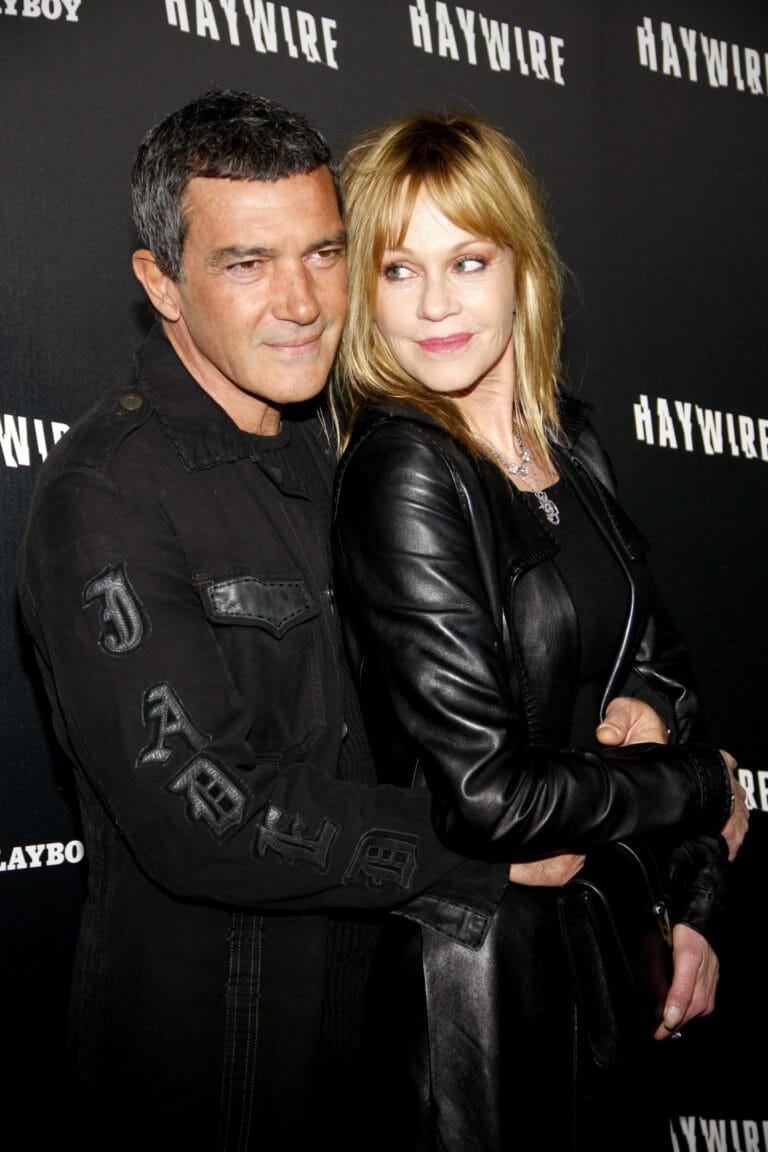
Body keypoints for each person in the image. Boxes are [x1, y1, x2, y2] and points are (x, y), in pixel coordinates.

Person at [13, 89, 520, 1150]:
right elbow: (213, 819)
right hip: (207, 1090)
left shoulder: (352, 448)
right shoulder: (105, 496)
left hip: (383, 1065)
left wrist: (637, 722)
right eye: (246, 263)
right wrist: (484, 850)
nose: (301, 302)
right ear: (161, 282)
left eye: (324, 254)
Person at [330, 111, 749, 1152]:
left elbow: (661, 673)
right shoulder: (406, 471)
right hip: (479, 995)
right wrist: (703, 786)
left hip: (600, 952)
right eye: (398, 270)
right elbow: (491, 797)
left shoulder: (570, 443)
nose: (435, 304)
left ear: (520, 265)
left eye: (467, 262)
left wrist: (692, 906)